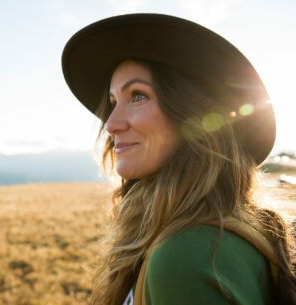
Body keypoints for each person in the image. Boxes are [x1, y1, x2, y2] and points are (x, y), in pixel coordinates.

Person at [62, 13, 296, 305]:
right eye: (113, 102)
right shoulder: (230, 229)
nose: (111, 124)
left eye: (137, 96)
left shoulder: (185, 257)